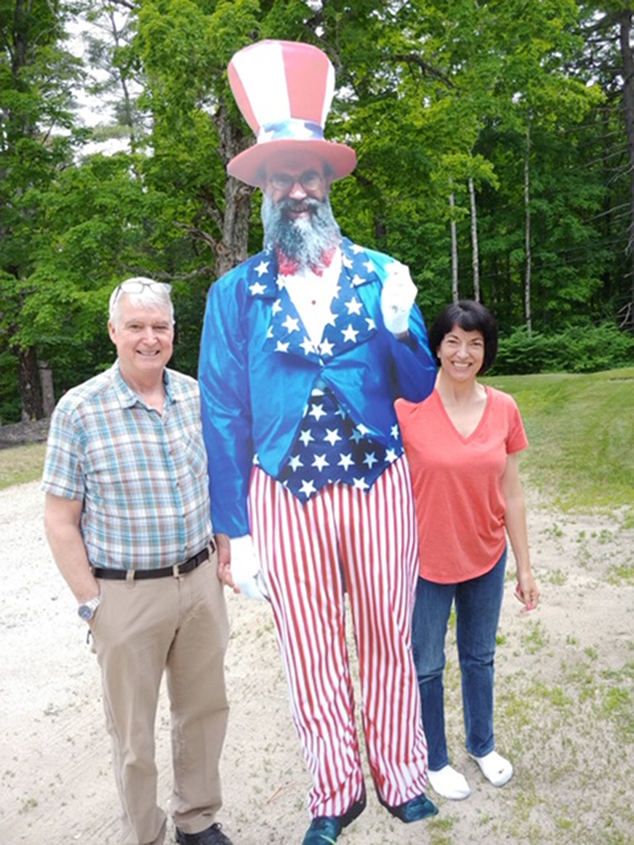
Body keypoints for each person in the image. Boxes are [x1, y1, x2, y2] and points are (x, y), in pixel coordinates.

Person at [198, 39, 439, 845]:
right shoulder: (236, 293)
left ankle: (403, 774)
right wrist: (235, 529)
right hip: (285, 489)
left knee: (386, 635)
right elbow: (224, 412)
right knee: (310, 651)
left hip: (377, 481)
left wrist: (408, 326)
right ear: (263, 189)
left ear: (328, 183)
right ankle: (334, 791)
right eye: (280, 176)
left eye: (309, 175)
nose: (296, 189)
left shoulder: (379, 273)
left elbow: (419, 387)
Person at [42, 278, 232, 845]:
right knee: (133, 733)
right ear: (113, 332)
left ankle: (196, 820)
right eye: (136, 326)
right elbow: (59, 519)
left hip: (198, 584)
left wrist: (224, 549)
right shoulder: (79, 410)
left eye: (159, 327)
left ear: (173, 333)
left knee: (203, 711)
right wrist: (91, 604)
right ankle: (143, 832)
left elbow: (221, 480)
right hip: (123, 595)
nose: (149, 338)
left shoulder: (198, 396)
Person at [396, 300, 540, 802]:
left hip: (485, 557)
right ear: (436, 346)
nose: (464, 352)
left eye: (475, 342)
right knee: (427, 664)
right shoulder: (406, 408)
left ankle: (483, 745)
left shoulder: (504, 408)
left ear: (487, 350)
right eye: (453, 340)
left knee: (479, 659)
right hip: (425, 564)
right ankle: (434, 758)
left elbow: (513, 491)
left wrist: (524, 567)